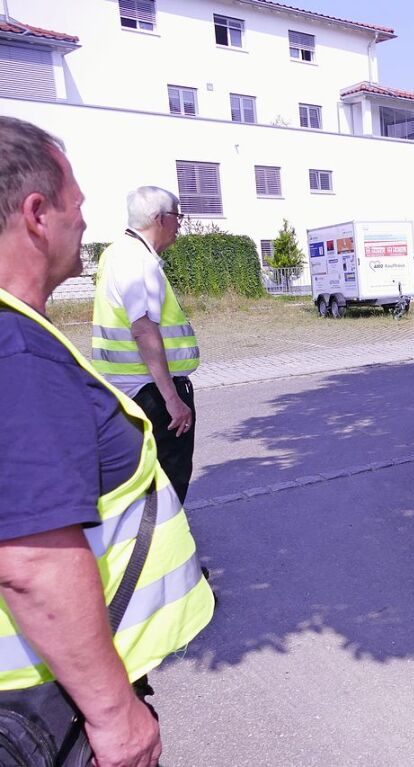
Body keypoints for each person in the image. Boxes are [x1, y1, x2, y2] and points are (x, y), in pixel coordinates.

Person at [0, 116, 215, 767]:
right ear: (37, 214)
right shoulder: (17, 355)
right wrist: (115, 713)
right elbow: (32, 562)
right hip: (44, 702)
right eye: (77, 205)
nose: (84, 223)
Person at [91, 186, 200, 503]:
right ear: (160, 218)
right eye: (178, 217)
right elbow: (143, 330)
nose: (180, 225)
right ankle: (164, 544)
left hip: (125, 390)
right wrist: (173, 399)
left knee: (138, 474)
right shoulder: (140, 262)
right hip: (152, 392)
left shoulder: (114, 254)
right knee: (169, 476)